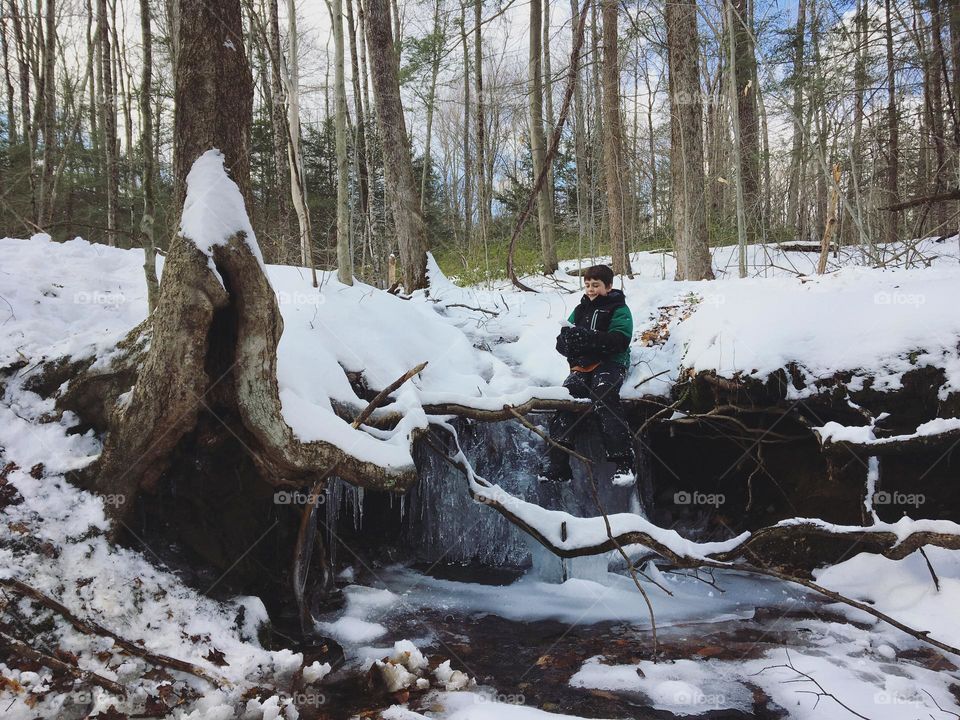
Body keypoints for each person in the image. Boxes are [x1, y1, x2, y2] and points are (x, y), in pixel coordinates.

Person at [541, 264, 634, 483]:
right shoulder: (580, 309)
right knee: (565, 398)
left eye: (596, 285)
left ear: (608, 286)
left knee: (604, 395)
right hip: (582, 366)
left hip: (611, 363)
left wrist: (589, 338)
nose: (591, 290)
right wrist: (567, 341)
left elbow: (620, 340)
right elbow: (561, 344)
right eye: (588, 285)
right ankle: (559, 466)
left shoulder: (619, 308)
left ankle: (624, 463)